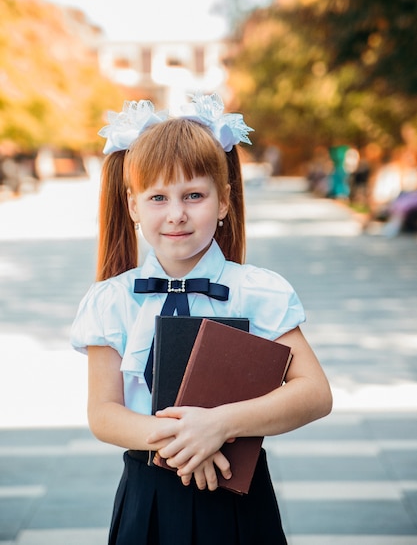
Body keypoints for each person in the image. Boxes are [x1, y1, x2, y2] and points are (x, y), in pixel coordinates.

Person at [70, 93, 333, 545]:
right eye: (158, 197)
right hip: (148, 497)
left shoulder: (259, 291)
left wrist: (220, 425)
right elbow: (103, 413)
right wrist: (184, 439)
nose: (176, 214)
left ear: (224, 201)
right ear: (133, 206)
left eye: (194, 195)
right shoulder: (111, 300)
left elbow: (315, 394)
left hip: (238, 496)